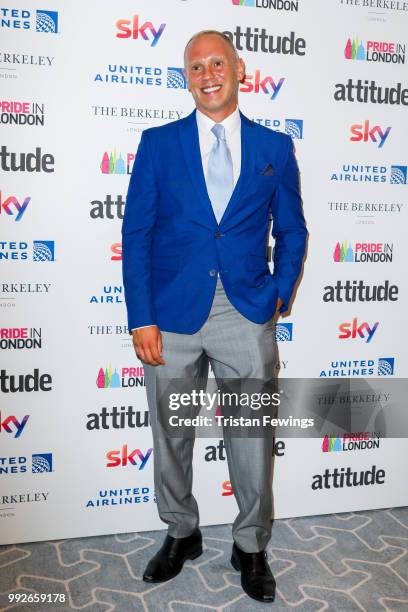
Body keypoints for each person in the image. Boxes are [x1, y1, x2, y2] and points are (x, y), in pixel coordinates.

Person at [122, 30, 307, 603]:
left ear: (239, 68)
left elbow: (293, 228)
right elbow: (137, 235)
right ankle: (182, 531)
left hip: (247, 313)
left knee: (251, 435)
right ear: (187, 77)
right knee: (171, 432)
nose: (207, 74)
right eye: (195, 66)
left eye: (216, 63)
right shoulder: (158, 143)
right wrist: (141, 317)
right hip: (172, 316)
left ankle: (251, 545)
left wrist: (279, 291)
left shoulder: (274, 148)